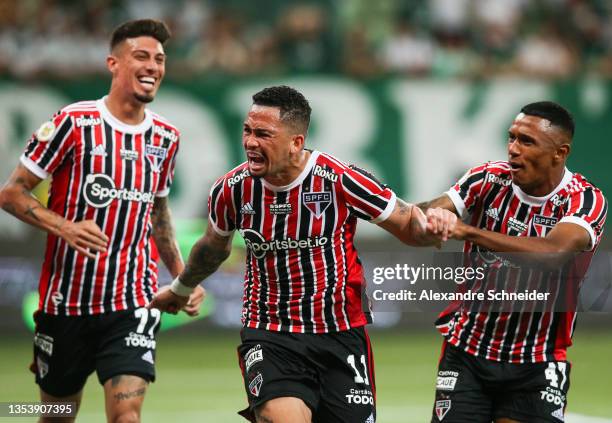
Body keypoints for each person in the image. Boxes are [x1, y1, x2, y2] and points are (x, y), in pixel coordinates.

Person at [149, 85, 456, 423]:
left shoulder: (340, 179)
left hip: (341, 334)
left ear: (296, 142)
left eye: (263, 134)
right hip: (270, 334)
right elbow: (212, 248)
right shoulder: (232, 190)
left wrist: (438, 222)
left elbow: (411, 227)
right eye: (247, 131)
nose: (250, 142)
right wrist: (180, 288)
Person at [0, 19, 204, 423]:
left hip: (132, 300)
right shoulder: (72, 123)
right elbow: (11, 194)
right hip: (65, 304)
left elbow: (158, 214)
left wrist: (182, 279)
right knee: (56, 414)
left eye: (160, 59)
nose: (153, 67)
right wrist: (66, 226)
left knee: (126, 416)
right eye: (141, 56)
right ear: (113, 63)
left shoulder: (166, 136)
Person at [418, 101, 607, 422]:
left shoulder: (584, 199)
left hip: (538, 360)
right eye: (512, 137)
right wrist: (432, 216)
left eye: (527, 141)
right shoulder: (487, 179)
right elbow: (430, 213)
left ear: (559, 153)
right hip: (468, 352)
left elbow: (553, 253)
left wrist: (467, 231)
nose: (513, 149)